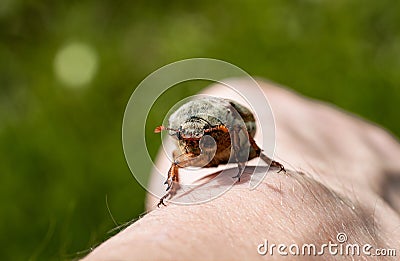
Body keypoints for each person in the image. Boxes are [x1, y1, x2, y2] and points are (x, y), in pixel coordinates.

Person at [83, 79, 400, 260]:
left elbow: (242, 132)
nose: (189, 145)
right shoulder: (186, 146)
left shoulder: (226, 130)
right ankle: (175, 189)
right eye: (185, 140)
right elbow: (181, 156)